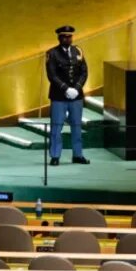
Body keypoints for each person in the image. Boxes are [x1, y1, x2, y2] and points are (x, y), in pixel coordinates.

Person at [45, 24, 90, 167]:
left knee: (76, 126)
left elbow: (84, 72)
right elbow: (52, 75)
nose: (67, 39)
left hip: (76, 96)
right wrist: (65, 88)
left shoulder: (78, 51)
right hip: (59, 96)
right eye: (64, 37)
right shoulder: (52, 53)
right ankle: (55, 155)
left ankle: (78, 155)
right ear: (59, 38)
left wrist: (77, 88)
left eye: (69, 37)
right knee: (56, 127)